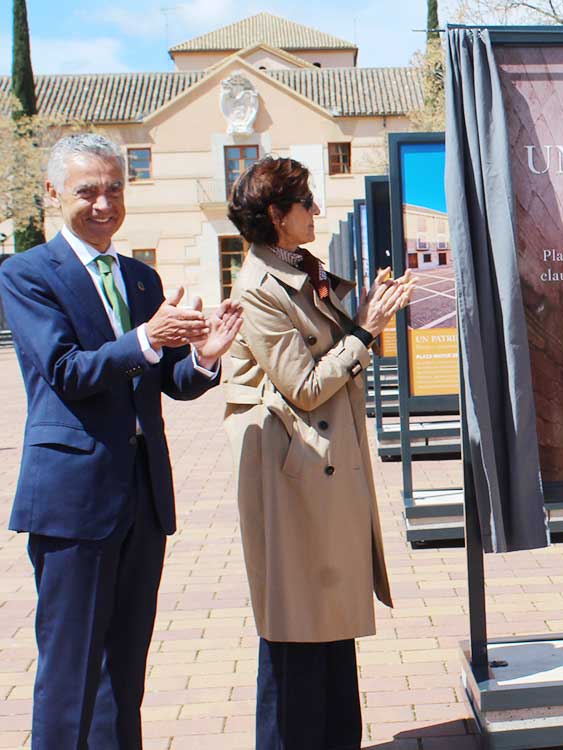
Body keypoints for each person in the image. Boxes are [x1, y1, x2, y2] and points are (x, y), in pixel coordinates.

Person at [0, 132, 241, 748]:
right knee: (70, 670)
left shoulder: (139, 277)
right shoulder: (29, 274)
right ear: (54, 193)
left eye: (115, 188)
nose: (104, 202)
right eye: (88, 190)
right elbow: (66, 372)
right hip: (73, 501)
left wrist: (205, 361)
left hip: (142, 495)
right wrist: (148, 339)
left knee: (124, 670)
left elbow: (167, 383)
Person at [220, 156, 414, 749]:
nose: (317, 212)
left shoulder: (296, 267)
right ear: (278, 216)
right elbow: (304, 386)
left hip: (317, 470)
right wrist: (365, 330)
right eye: (306, 203)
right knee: (295, 629)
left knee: (327, 625)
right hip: (293, 475)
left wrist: (363, 316)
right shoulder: (260, 287)